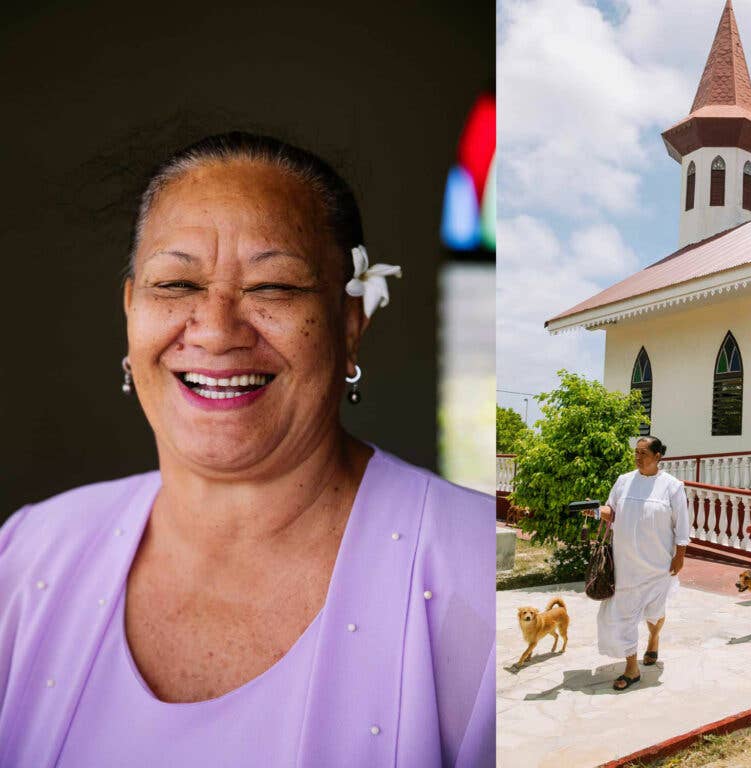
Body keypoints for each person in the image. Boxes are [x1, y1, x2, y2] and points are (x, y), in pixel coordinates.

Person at [0, 132, 495, 767]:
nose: (215, 332)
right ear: (130, 311)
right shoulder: (30, 555)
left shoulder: (470, 570)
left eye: (274, 287)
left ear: (350, 323)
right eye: (176, 284)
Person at [586, 436, 690, 690]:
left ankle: (653, 639)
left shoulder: (672, 487)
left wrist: (680, 555)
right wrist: (598, 511)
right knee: (623, 615)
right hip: (625, 565)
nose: (638, 457)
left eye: (644, 453)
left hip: (657, 565)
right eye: (636, 452)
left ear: (658, 457)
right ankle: (631, 668)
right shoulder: (623, 481)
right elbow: (613, 510)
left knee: (655, 611)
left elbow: (682, 523)